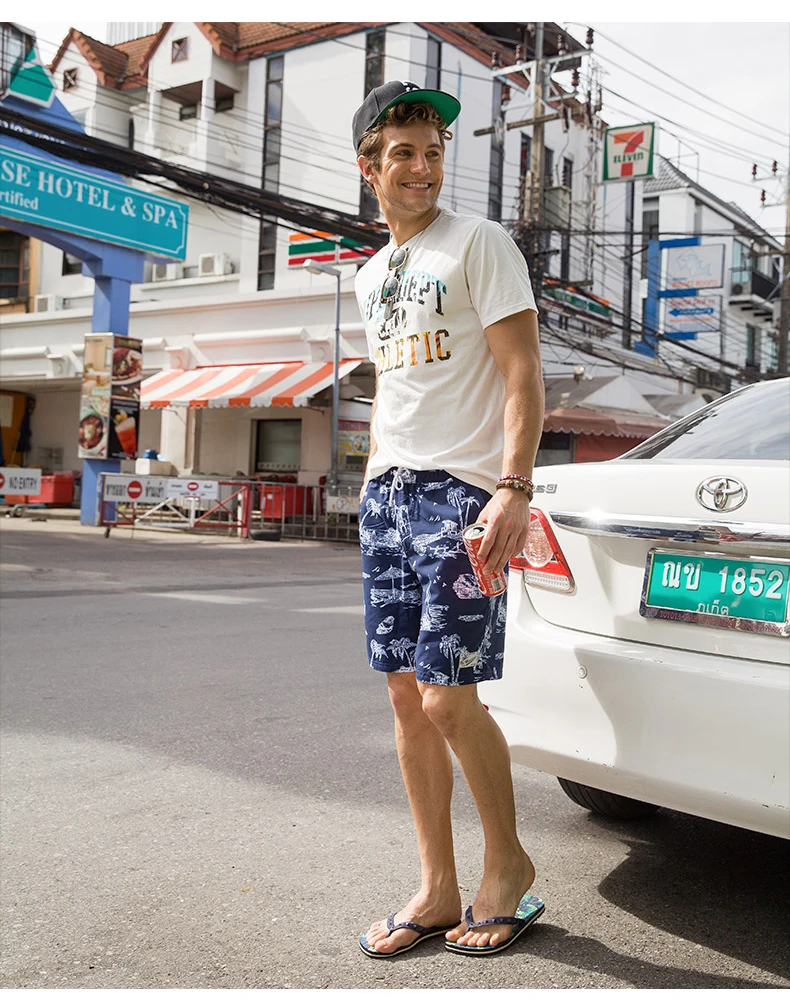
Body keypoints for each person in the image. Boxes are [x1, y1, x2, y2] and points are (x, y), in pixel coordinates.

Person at [352, 81, 545, 958]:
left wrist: (513, 487)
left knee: (447, 695)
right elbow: (395, 389)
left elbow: (521, 370)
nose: (423, 168)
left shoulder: (479, 242)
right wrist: (371, 487)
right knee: (404, 696)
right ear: (370, 166)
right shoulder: (371, 275)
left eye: (433, 153)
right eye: (404, 153)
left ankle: (508, 865)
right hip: (388, 495)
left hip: (463, 495)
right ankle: (436, 887)